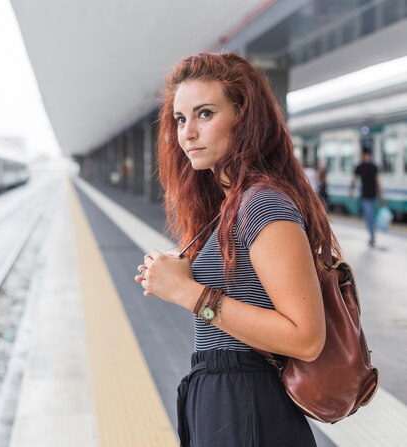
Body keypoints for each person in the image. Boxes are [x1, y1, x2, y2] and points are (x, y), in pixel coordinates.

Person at [133, 52, 340, 446]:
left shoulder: (262, 204)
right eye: (180, 119)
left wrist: (189, 293)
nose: (187, 133)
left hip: (247, 411)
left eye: (205, 114)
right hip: (227, 405)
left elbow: (306, 338)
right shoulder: (229, 205)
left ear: (244, 118)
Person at [349, 149, 384, 247]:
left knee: (373, 217)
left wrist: (381, 195)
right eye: (366, 155)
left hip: (374, 196)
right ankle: (372, 236)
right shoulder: (360, 167)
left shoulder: (374, 167)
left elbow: (377, 181)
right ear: (363, 156)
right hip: (365, 196)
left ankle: (372, 233)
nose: (367, 157)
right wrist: (351, 189)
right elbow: (354, 179)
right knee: (369, 216)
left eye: (369, 155)